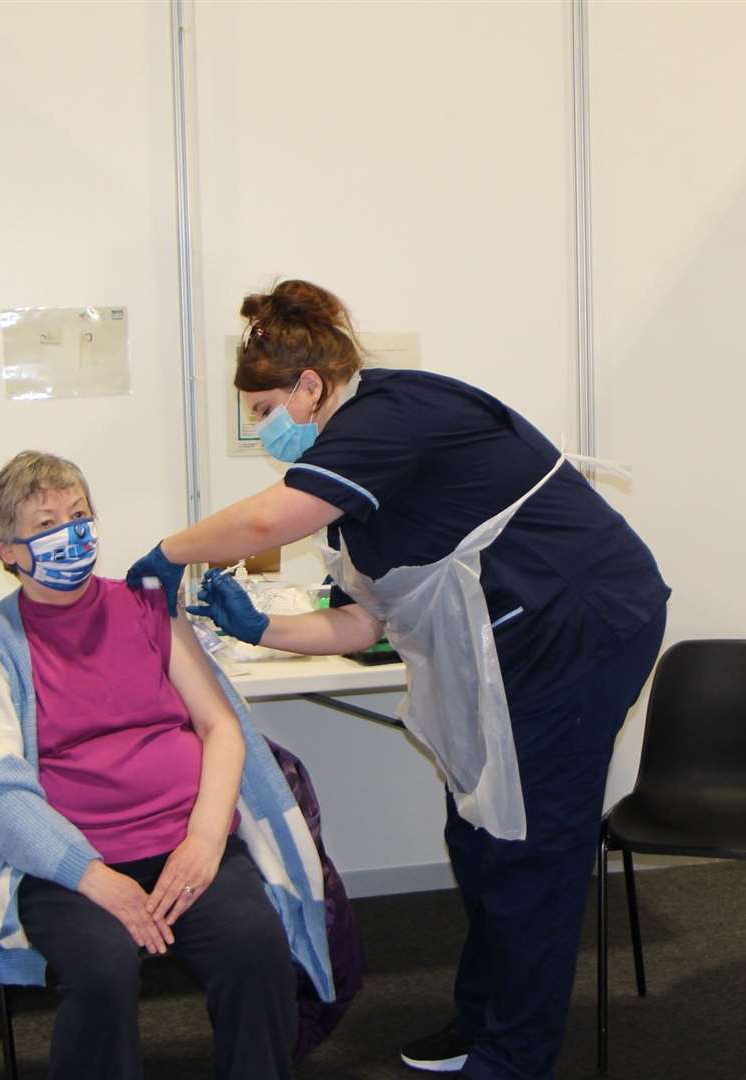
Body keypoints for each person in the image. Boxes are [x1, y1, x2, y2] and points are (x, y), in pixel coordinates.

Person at [126, 280, 671, 1080]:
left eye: (264, 408)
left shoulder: (391, 417)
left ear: (311, 386)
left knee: (528, 847)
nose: (259, 428)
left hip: (574, 630)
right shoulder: (350, 473)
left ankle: (513, 1055)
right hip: (506, 644)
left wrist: (169, 552)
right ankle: (483, 1021)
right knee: (477, 837)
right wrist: (259, 628)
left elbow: (268, 520)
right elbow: (360, 623)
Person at [0, 450, 334, 1080]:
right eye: (46, 524)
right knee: (102, 969)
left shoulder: (147, 605)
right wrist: (97, 879)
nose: (71, 533)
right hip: (70, 863)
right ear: (7, 551)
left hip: (183, 840)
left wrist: (205, 842)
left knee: (254, 948)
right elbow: (0, 795)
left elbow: (220, 727)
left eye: (80, 514)